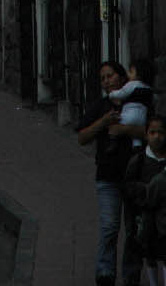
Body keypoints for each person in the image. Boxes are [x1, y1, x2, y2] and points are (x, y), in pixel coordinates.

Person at [78, 59, 135, 286]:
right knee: (110, 227)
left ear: (121, 78)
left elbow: (150, 129)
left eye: (110, 76)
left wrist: (123, 128)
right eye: (102, 78)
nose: (107, 81)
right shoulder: (100, 107)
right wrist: (103, 122)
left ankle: (131, 274)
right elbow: (82, 136)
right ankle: (105, 272)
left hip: (133, 175)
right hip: (107, 176)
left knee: (132, 229)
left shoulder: (134, 104)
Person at [124, 113, 166, 282]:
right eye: (152, 132)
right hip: (146, 218)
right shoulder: (139, 161)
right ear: (146, 134)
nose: (157, 137)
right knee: (150, 255)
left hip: (164, 218)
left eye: (161, 132)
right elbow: (128, 187)